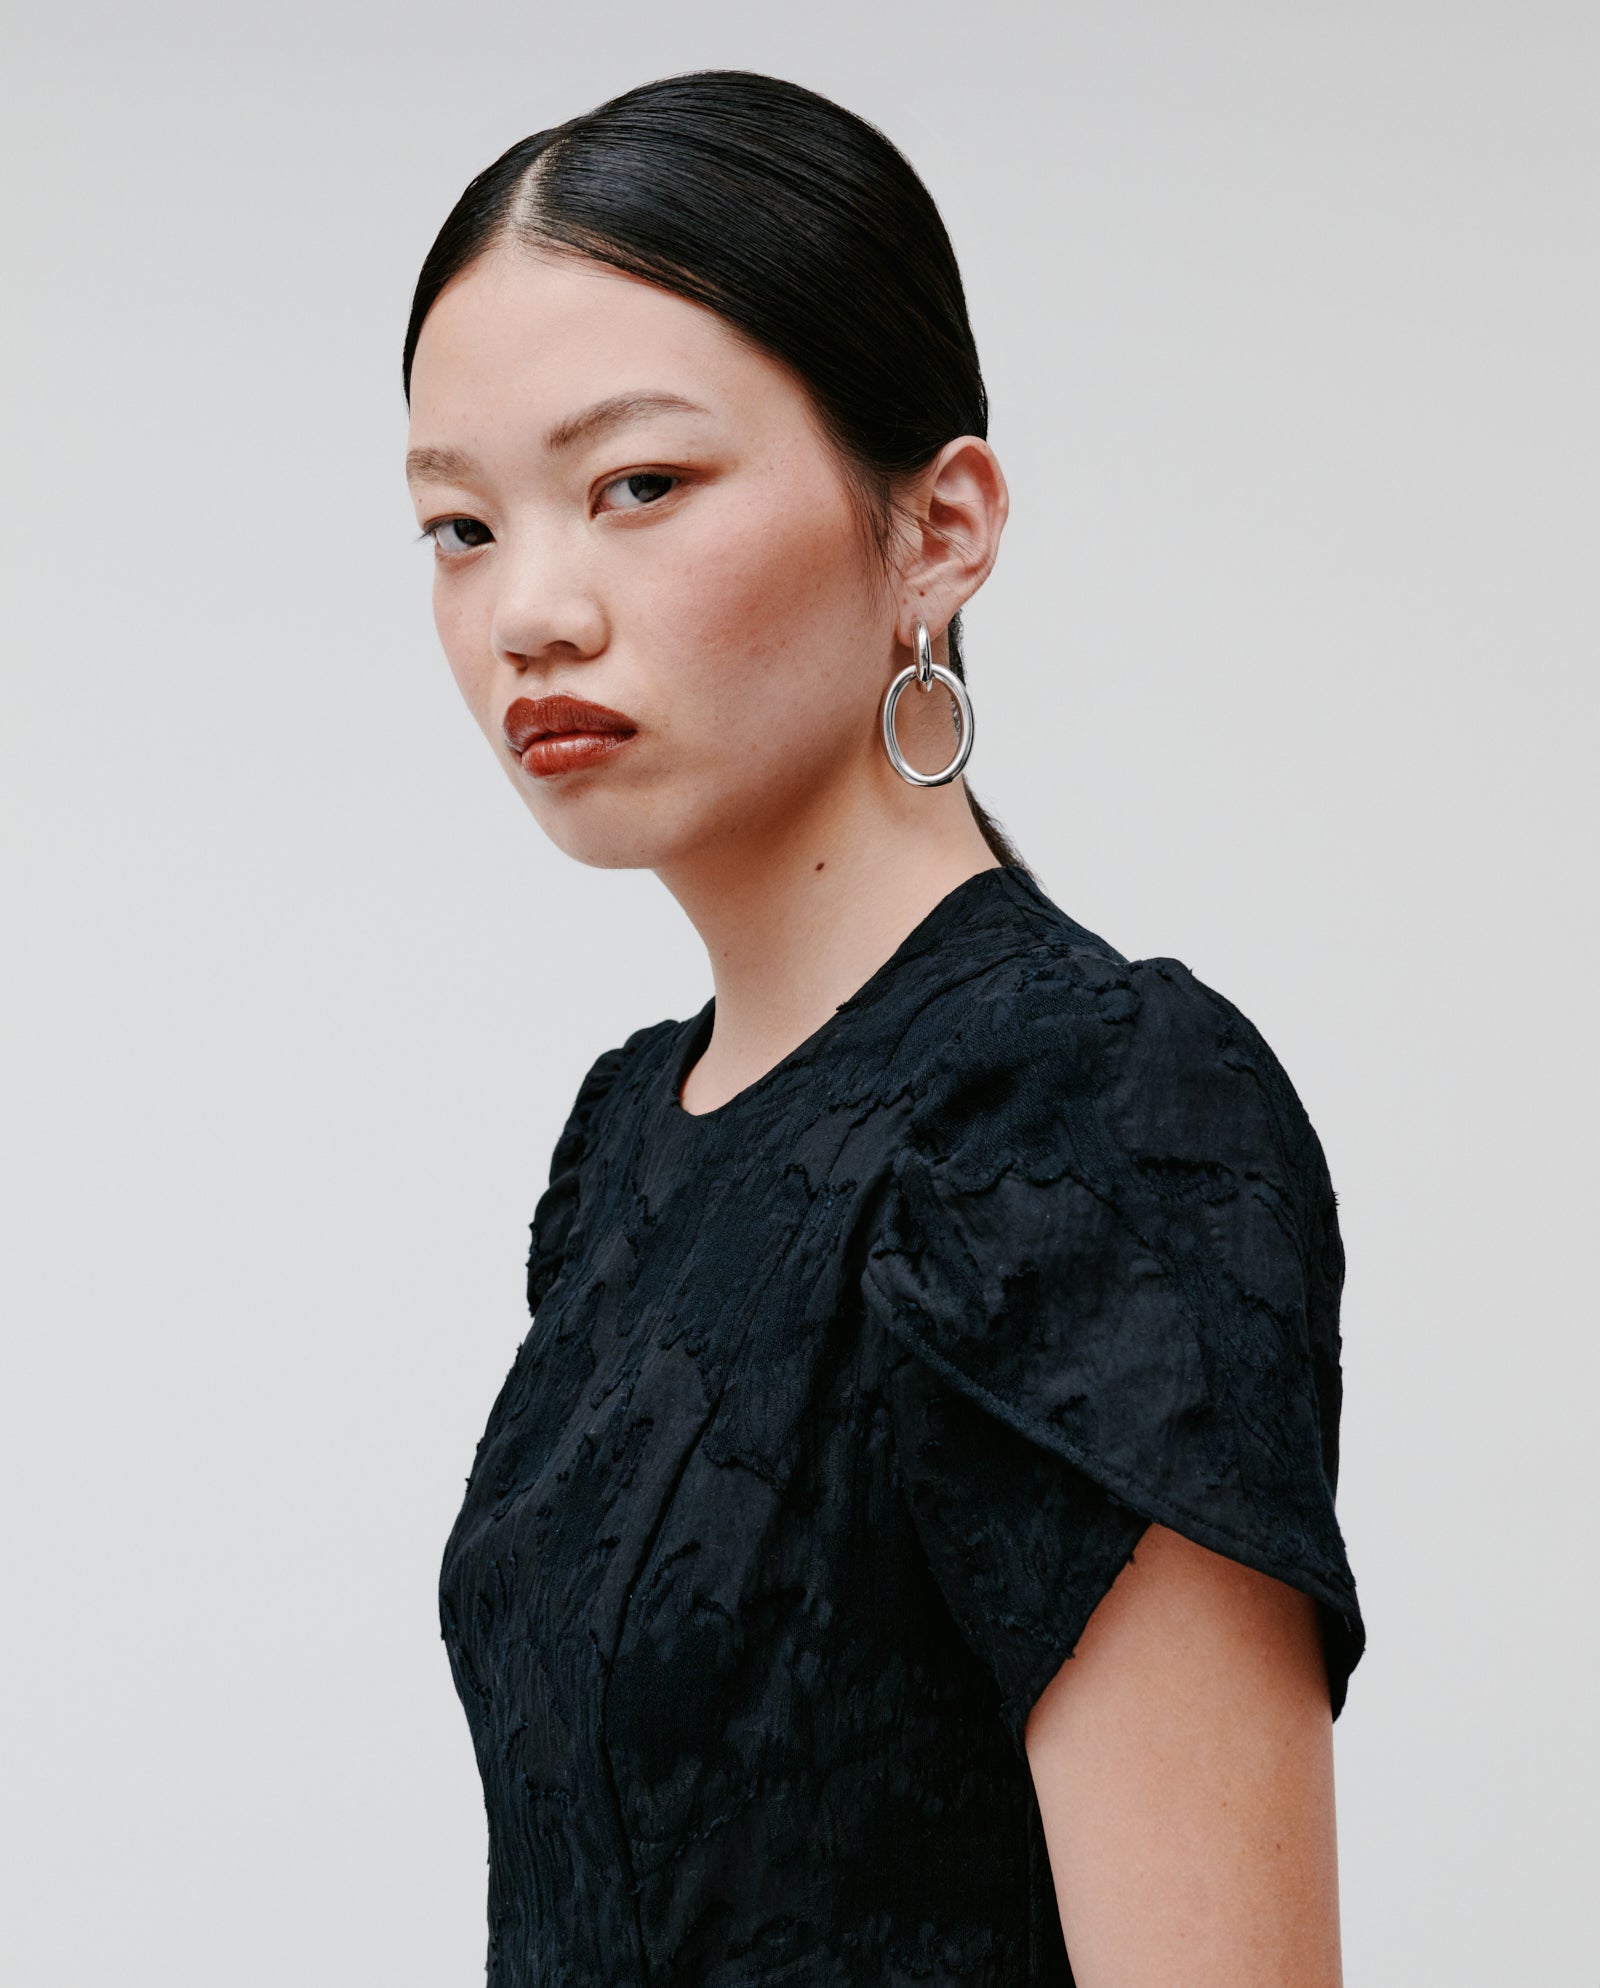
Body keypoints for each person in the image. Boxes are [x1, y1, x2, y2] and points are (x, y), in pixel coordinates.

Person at [403, 68, 1366, 1988]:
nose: (531, 612)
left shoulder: (1085, 1107)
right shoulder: (628, 1143)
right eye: (459, 528)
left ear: (938, 527)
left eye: (637, 485)